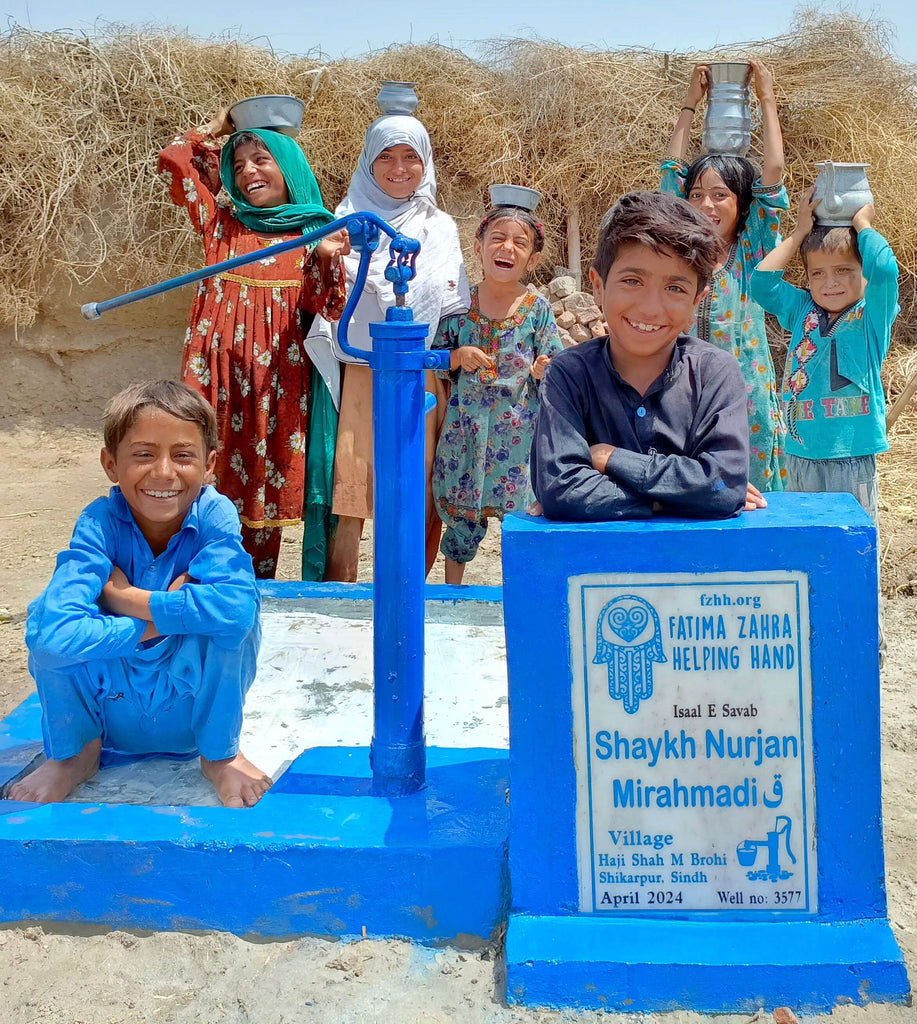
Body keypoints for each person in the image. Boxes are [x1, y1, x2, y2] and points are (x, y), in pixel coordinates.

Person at [6, 381, 270, 808]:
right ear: (111, 464)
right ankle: (75, 755)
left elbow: (236, 612)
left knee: (242, 622)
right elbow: (49, 633)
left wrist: (125, 599)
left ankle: (221, 756)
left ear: (209, 466)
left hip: (189, 713)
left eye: (183, 455)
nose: (164, 472)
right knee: (44, 627)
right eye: (143, 454)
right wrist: (159, 621)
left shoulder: (214, 515)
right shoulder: (98, 523)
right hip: (113, 711)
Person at [158, 109, 350, 580]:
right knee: (197, 471)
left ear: (289, 165)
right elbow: (176, 159)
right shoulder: (220, 225)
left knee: (262, 489)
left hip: (274, 390)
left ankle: (251, 589)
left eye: (261, 159)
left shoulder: (315, 232)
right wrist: (218, 126)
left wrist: (326, 259)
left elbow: (327, 308)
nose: (248, 172)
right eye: (238, 165)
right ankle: (189, 581)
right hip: (214, 383)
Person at [531, 191, 764, 522]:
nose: (651, 308)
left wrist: (611, 459)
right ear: (598, 286)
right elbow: (560, 490)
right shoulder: (568, 374)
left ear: (697, 301)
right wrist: (675, 498)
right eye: (632, 280)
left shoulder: (716, 373)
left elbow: (723, 485)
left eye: (675, 288)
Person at [309, 113, 470, 583]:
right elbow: (327, 295)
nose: (399, 168)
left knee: (417, 482)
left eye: (410, 158)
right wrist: (325, 257)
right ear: (367, 161)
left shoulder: (440, 228)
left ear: (425, 164)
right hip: (363, 363)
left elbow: (448, 300)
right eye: (386, 157)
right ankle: (344, 590)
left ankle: (407, 588)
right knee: (354, 480)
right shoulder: (344, 221)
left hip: (421, 367)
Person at [661, 61, 787, 493]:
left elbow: (771, 176)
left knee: (750, 493)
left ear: (741, 203)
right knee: (689, 487)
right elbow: (669, 175)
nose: (706, 205)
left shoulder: (752, 251)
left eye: (720, 195)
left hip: (745, 392)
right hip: (684, 389)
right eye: (696, 196)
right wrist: (689, 104)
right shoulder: (680, 253)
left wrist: (766, 99)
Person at [431, 199, 563, 584]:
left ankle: (518, 595)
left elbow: (555, 365)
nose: (507, 248)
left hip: (518, 436)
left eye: (519, 243)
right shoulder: (459, 305)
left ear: (532, 259)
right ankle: (452, 595)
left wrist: (543, 369)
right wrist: (457, 355)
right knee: (459, 520)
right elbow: (432, 359)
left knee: (519, 519)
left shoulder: (537, 309)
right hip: (464, 432)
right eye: (498, 238)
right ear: (478, 246)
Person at [749, 188, 899, 522]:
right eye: (818, 273)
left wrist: (862, 224)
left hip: (852, 457)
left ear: (863, 273)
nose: (830, 282)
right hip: (800, 455)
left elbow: (886, 269)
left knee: (853, 541)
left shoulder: (872, 316)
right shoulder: (803, 309)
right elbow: (761, 283)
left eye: (844, 270)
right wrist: (800, 231)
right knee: (806, 540)